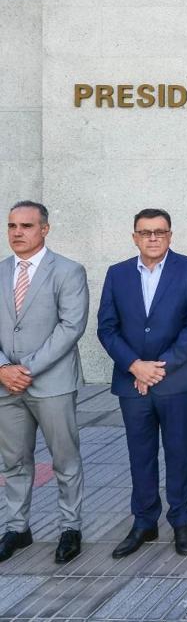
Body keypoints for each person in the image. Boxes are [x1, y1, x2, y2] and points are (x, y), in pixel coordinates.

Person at [98, 208, 187, 558]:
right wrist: (135, 366)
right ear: (134, 237)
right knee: (140, 455)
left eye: (159, 231)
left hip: (177, 381)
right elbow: (106, 327)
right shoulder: (117, 274)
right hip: (132, 383)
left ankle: (181, 521)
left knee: (179, 454)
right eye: (145, 232)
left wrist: (156, 369)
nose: (152, 238)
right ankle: (144, 522)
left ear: (170, 235)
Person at [0, 201, 89, 565]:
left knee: (64, 459)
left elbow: (71, 327)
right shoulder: (0, 271)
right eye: (11, 226)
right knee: (14, 461)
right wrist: (4, 368)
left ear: (45, 229)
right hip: (5, 384)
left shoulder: (68, 271)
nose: (17, 233)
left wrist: (27, 368)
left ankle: (70, 528)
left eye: (26, 225)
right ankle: (17, 528)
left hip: (51, 383)